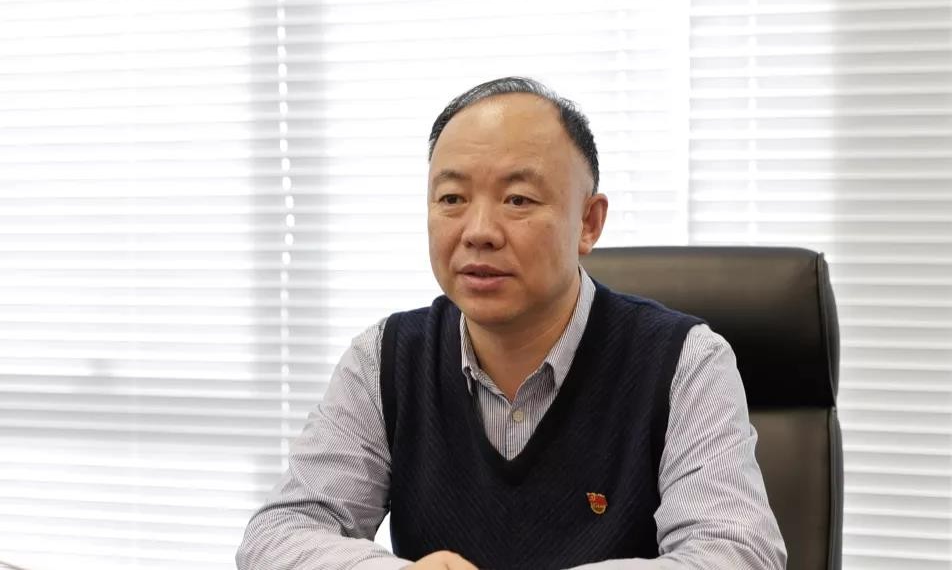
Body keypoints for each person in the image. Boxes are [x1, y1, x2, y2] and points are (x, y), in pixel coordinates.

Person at [236, 77, 786, 569]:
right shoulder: (386, 359)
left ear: (588, 223)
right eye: (452, 198)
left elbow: (736, 552)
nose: (479, 230)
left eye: (517, 199)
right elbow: (278, 535)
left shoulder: (684, 362)